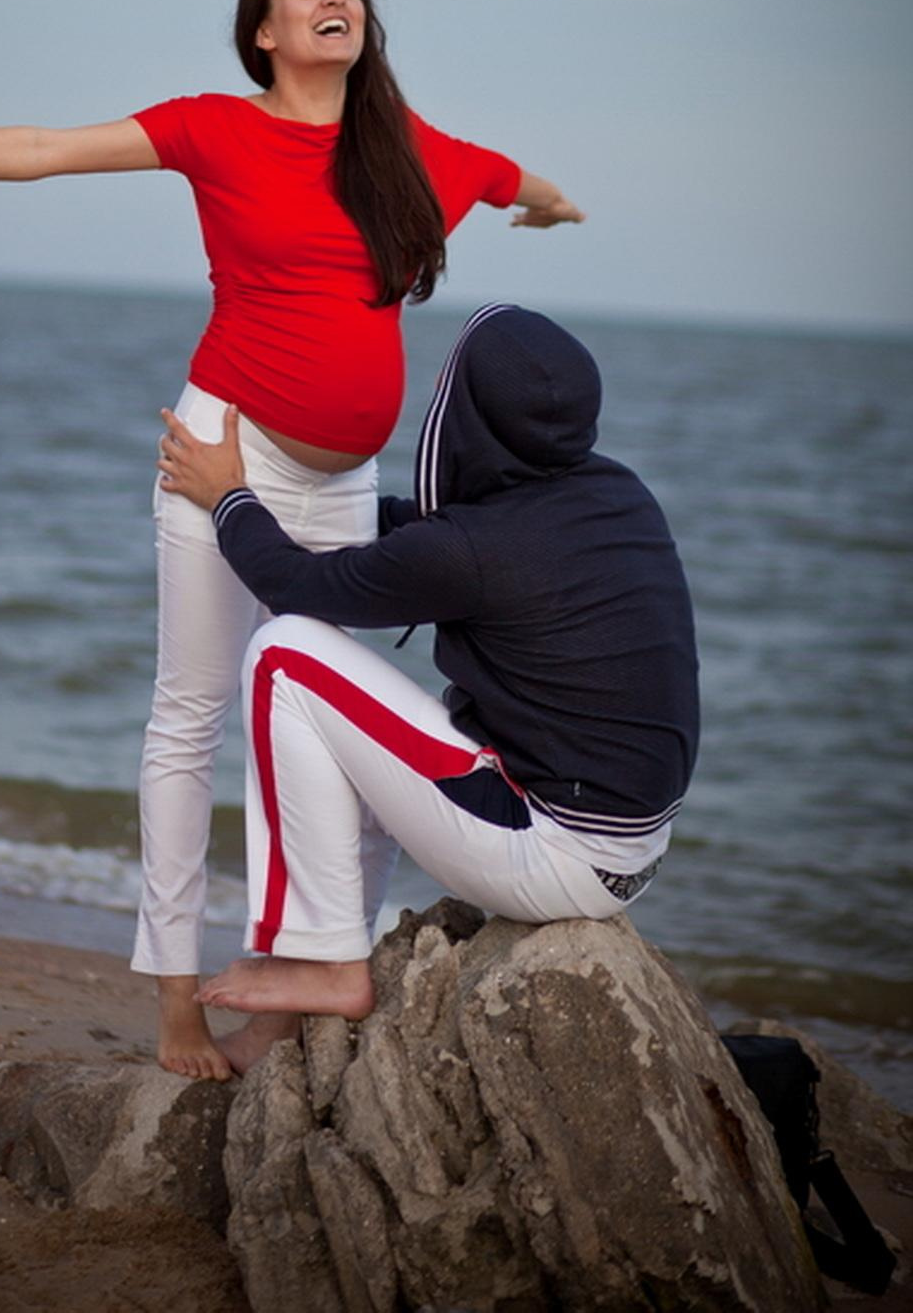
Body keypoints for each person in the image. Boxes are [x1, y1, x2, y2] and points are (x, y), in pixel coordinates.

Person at [0, 0, 585, 1079]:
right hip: (223, 451)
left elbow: (519, 181)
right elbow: (44, 149)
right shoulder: (217, 127)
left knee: (320, 734)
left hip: (343, 486)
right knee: (192, 716)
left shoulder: (414, 155)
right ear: (264, 30)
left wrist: (553, 209)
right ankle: (173, 1008)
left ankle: (297, 978)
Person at [156, 302, 699, 1065]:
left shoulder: (473, 549)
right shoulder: (613, 494)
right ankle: (309, 979)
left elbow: (297, 585)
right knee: (355, 738)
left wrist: (229, 498)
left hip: (552, 854)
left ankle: (321, 960)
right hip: (627, 852)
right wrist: (307, 505)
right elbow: (419, 533)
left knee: (283, 654)